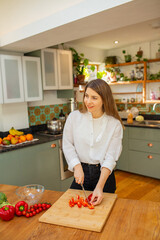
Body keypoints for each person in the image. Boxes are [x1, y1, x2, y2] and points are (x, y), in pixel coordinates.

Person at [62, 79, 123, 206]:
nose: (88, 101)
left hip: (104, 176)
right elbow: (67, 145)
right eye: (86, 96)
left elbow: (110, 158)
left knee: (104, 216)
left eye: (94, 98)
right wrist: (77, 166)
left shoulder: (114, 124)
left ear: (104, 99)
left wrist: (100, 187)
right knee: (74, 212)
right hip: (81, 174)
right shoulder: (74, 117)